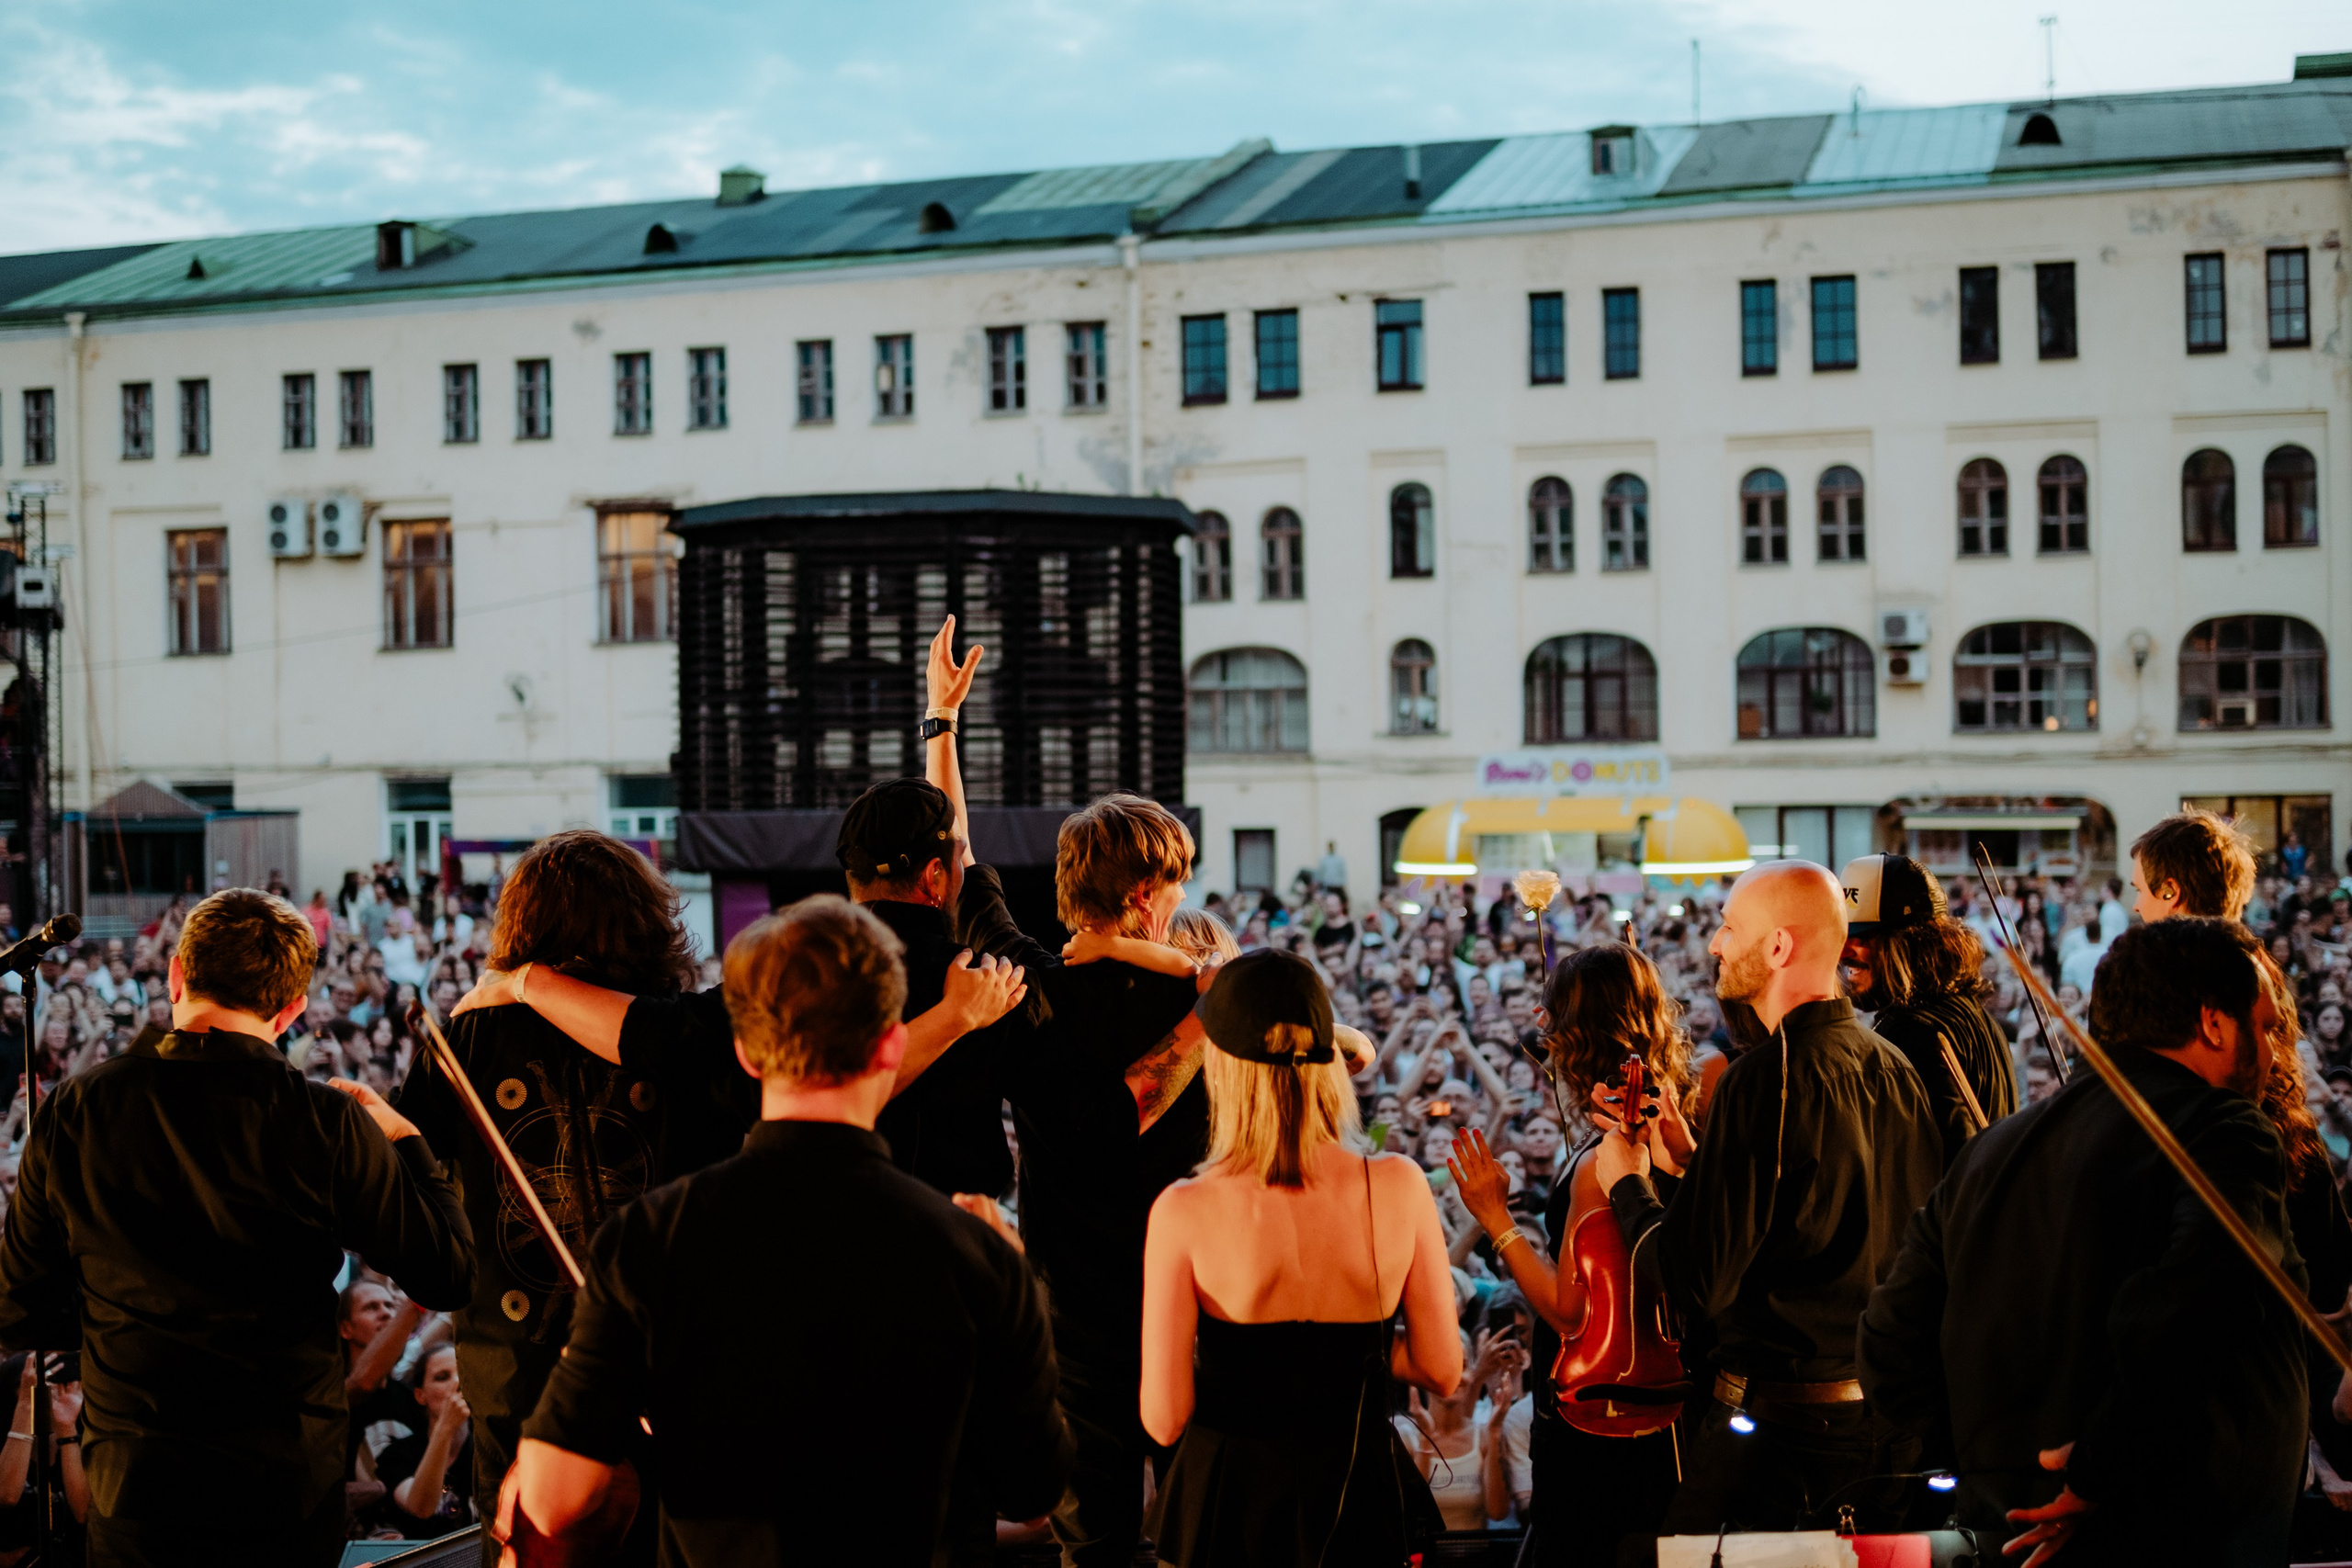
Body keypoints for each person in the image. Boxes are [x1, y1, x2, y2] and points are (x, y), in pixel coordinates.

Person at [499, 896, 1069, 1565]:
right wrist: (1020, 1306)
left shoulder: (647, 1239)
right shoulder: (973, 1253)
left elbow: (556, 1500)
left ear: (745, 1052)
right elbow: (1033, 1491)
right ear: (891, 1043)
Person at [0, 887, 474, 1567]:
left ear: (175, 975)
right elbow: (449, 1269)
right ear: (291, 1010)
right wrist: (405, 1139)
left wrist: (118, 1318)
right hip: (283, 1488)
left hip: (138, 1482)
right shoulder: (327, 1121)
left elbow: (18, 1309)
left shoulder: (78, 1109)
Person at [1859, 919, 2310, 1564]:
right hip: (2180, 1536)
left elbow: (1887, 1344)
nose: (2271, 1053)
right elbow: (2198, 1300)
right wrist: (2094, 1467)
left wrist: (2000, 1464)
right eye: (2264, 1027)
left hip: (2009, 1531)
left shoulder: (1993, 1150)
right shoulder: (2224, 1126)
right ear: (2214, 1023)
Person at [398, 829, 760, 1552]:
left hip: (518, 1382)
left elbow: (418, 1214)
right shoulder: (682, 1031)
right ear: (643, 918)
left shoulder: (467, 1034)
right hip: (676, 1363)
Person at [1596, 861, 1941, 1535]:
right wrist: (1697, 1165)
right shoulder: (1892, 1065)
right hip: (1881, 1425)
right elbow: (1815, 1217)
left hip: (1782, 1440)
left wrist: (1628, 1185)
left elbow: (1696, 1283)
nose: (1716, 944)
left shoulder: (1765, 1077)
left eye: (1729, 927)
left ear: (1779, 946)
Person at [1140, 949, 1460, 1566]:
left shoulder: (1183, 1208)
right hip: (1357, 1499)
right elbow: (1442, 1367)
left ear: (1224, 1067)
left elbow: (1164, 1417)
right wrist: (1347, 1346)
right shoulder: (1398, 1182)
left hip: (1234, 1508)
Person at [1448, 942, 1698, 1567]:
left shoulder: (1607, 1156)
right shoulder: (1664, 1127)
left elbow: (1568, 1312)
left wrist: (1495, 1217)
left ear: (1579, 1030)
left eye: (1554, 1015)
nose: (1543, 1027)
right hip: (1659, 1416)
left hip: (1596, 1428)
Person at [1838, 853, 2018, 1168]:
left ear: (1911, 942)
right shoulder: (1969, 1012)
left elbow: (1950, 1169)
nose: (1844, 951)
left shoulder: (1910, 1033)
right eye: (1844, 935)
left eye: (1864, 937)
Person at [371, 1343, 474, 1537]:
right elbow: (421, 1507)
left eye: (464, 1372)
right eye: (442, 1377)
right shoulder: (398, 1456)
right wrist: (445, 1427)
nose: (458, 1382)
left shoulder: (491, 1451)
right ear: (420, 1395)